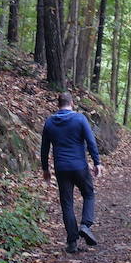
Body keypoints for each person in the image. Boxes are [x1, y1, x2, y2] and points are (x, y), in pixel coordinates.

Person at [40, 90, 100, 254]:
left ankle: (72, 242)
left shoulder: (50, 122)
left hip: (61, 168)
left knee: (67, 203)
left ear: (57, 105)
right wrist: (97, 163)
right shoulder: (80, 118)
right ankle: (85, 225)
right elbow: (91, 141)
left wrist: (45, 169)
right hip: (80, 166)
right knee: (88, 194)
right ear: (72, 103)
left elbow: (44, 148)